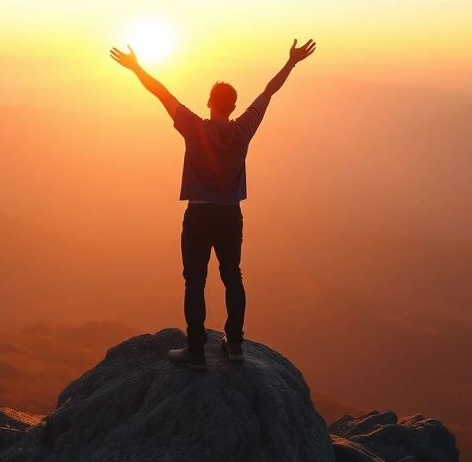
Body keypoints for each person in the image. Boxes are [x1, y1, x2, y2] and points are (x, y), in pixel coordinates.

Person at [109, 38, 317, 369]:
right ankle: (234, 344)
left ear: (209, 101)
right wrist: (290, 62)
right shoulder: (245, 128)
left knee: (195, 281)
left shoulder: (194, 128)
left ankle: (195, 350)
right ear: (233, 107)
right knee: (232, 276)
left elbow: (162, 94)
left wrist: (136, 68)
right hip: (230, 215)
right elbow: (268, 92)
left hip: (199, 215)